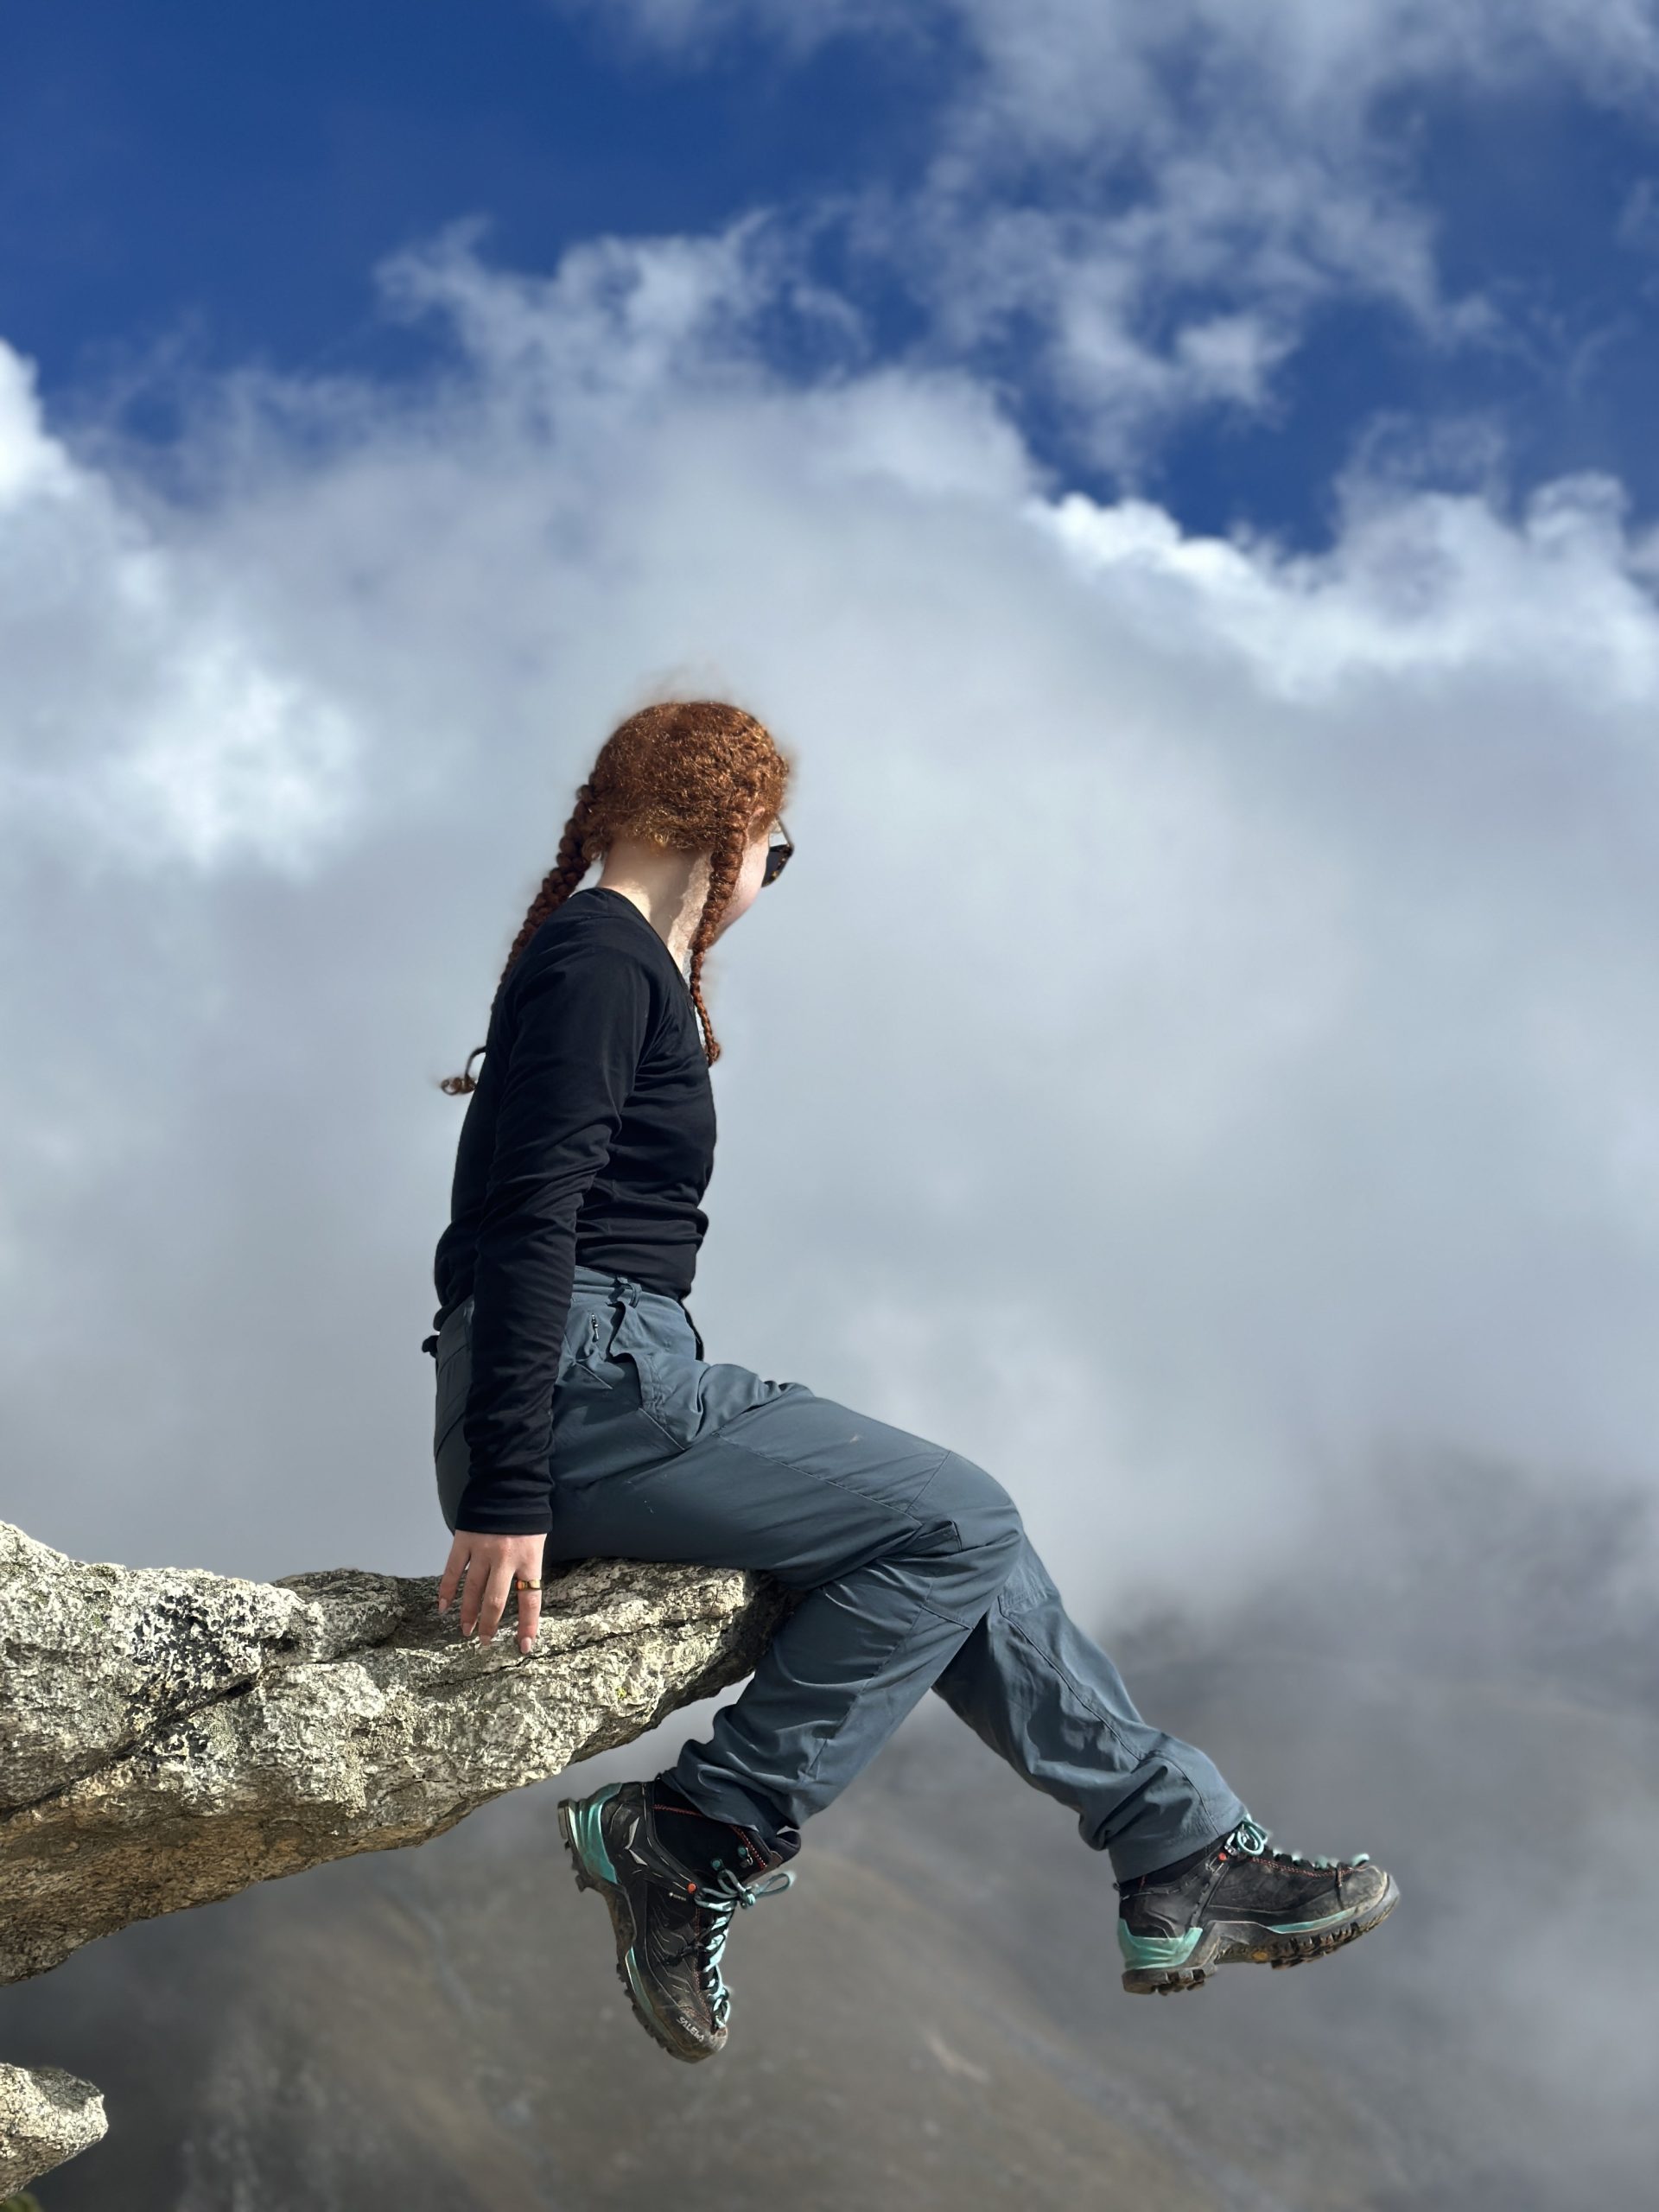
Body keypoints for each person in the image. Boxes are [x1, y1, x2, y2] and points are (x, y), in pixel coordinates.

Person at [426, 698, 1398, 2064]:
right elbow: (531, 1220)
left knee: (964, 1538)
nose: (768, 881)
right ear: (733, 831)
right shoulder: (602, 961)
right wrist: (508, 1486)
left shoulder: (604, 959)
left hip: (610, 1369)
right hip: (584, 1389)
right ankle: (698, 1831)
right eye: (779, 852)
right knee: (959, 1517)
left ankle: (1183, 1854)